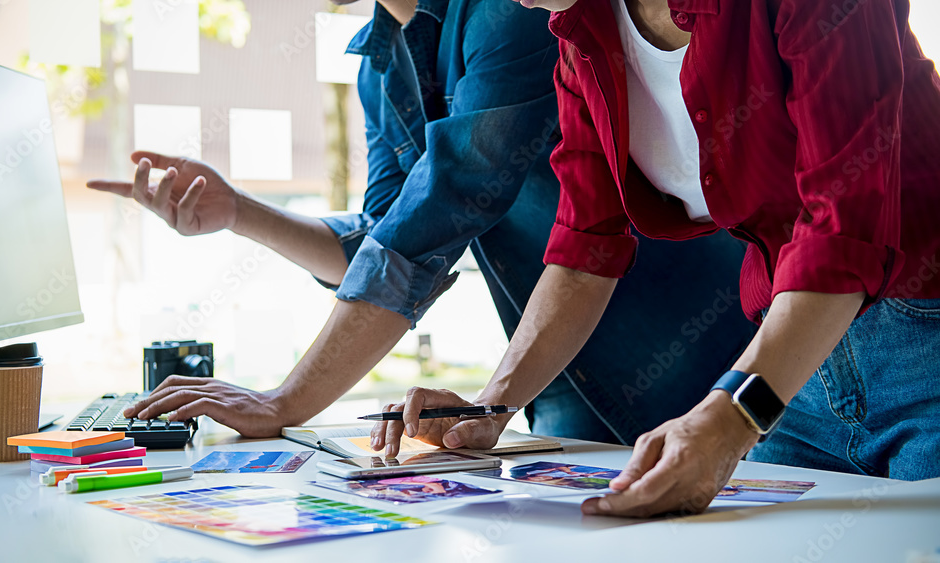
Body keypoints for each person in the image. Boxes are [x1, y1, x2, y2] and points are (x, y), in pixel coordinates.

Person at [87, 0, 755, 448]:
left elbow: (439, 215)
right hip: (559, 393)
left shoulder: (514, 13)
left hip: (712, 371)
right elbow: (383, 243)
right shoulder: (382, 62)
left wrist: (284, 400)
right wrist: (238, 212)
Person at [373, 0, 940, 517]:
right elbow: (584, 248)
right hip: (796, 366)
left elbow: (842, 228)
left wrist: (734, 417)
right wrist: (490, 409)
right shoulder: (582, 36)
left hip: (921, 342)